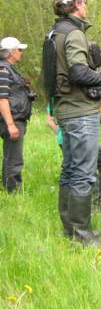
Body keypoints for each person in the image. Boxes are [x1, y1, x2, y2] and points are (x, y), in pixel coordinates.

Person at [49, 0, 101, 248]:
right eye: (84, 2)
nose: (87, 7)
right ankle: (81, 234)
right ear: (76, 4)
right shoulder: (74, 33)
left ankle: (70, 229)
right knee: (84, 173)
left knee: (70, 169)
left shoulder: (55, 32)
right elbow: (78, 73)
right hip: (79, 111)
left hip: (65, 108)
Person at [46, 106, 101, 212]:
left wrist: (61, 133)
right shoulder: (75, 95)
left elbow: (50, 121)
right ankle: (94, 206)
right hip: (81, 137)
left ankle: (76, 208)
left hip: (69, 138)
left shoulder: (58, 92)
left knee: (75, 171)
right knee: (94, 171)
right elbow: (49, 121)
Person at [0, 37, 35, 194]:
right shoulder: (3, 69)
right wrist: (10, 124)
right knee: (14, 160)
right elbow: (2, 99)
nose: (21, 53)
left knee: (10, 157)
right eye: (19, 50)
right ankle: (13, 193)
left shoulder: (9, 68)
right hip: (12, 119)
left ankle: (8, 190)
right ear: (11, 52)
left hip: (16, 118)